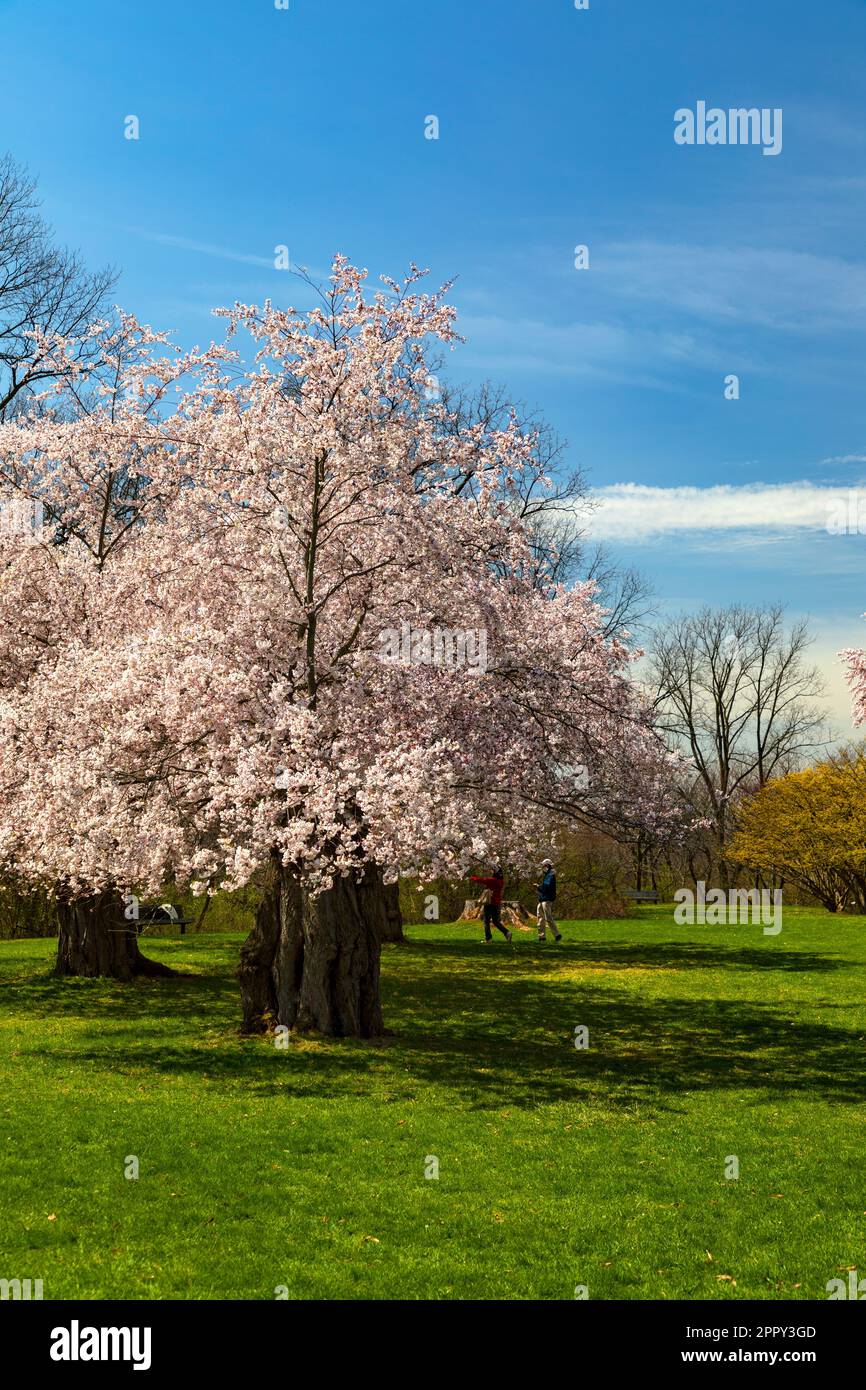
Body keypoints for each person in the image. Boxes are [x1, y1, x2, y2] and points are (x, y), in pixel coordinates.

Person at [470, 867, 512, 943]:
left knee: (486, 921)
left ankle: (488, 938)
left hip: (489, 902)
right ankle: (507, 933)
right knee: (496, 921)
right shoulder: (501, 881)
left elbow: (481, 880)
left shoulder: (492, 880)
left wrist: (472, 877)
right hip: (497, 903)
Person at [536, 858, 562, 942]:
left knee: (548, 917)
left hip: (546, 899)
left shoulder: (550, 874)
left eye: (543, 866)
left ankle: (557, 934)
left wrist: (538, 887)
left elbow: (546, 887)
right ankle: (541, 936)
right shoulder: (548, 874)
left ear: (547, 866)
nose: (542, 867)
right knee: (540, 917)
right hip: (543, 898)